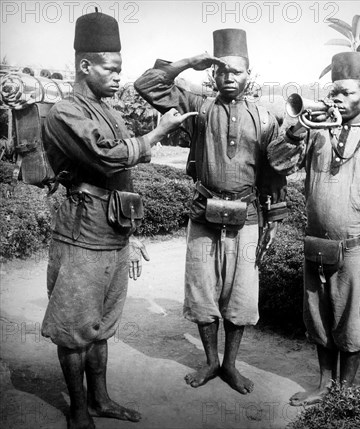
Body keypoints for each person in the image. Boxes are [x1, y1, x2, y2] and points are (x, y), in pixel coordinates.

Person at [41, 11, 195, 429]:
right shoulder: (64, 112)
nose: (117, 78)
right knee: (74, 329)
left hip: (113, 231)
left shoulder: (105, 109)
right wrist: (156, 134)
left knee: (103, 326)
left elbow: (125, 167)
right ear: (85, 65)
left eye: (120, 70)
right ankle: (77, 412)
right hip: (81, 236)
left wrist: (134, 235)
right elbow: (109, 157)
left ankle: (101, 399)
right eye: (110, 69)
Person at [134, 28, 287, 395]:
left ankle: (231, 365)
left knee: (242, 294)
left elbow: (274, 172)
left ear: (249, 74)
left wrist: (275, 221)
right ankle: (210, 361)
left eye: (237, 71)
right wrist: (188, 61)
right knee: (202, 290)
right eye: (222, 71)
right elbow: (146, 84)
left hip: (248, 216)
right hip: (204, 212)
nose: (229, 78)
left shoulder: (265, 118)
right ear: (213, 75)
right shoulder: (196, 107)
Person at [267, 51, 360, 406]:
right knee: (319, 318)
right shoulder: (316, 134)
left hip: (355, 247)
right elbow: (278, 162)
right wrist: (299, 128)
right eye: (333, 91)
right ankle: (324, 384)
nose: (336, 98)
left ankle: (345, 390)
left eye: (346, 92)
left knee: (351, 320)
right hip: (315, 245)